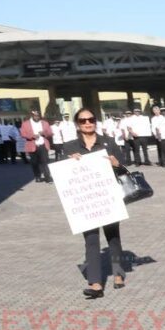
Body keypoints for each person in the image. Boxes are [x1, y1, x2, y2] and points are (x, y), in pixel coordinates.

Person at [62, 107, 128, 299]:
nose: (88, 123)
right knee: (91, 240)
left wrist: (117, 164)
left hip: (107, 198)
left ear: (95, 121)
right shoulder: (69, 146)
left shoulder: (108, 143)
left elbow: (123, 169)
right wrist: (69, 163)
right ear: (77, 124)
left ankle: (118, 273)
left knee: (113, 237)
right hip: (86, 201)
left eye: (91, 119)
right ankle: (96, 283)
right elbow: (60, 174)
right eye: (83, 121)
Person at [19, 109, 53, 182]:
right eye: (35, 116)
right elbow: (22, 134)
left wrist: (44, 133)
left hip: (43, 145)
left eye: (38, 116)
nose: (37, 117)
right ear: (32, 116)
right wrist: (32, 136)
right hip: (32, 145)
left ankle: (47, 177)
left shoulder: (45, 123)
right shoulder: (25, 124)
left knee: (45, 161)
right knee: (34, 162)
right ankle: (37, 176)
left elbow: (50, 133)